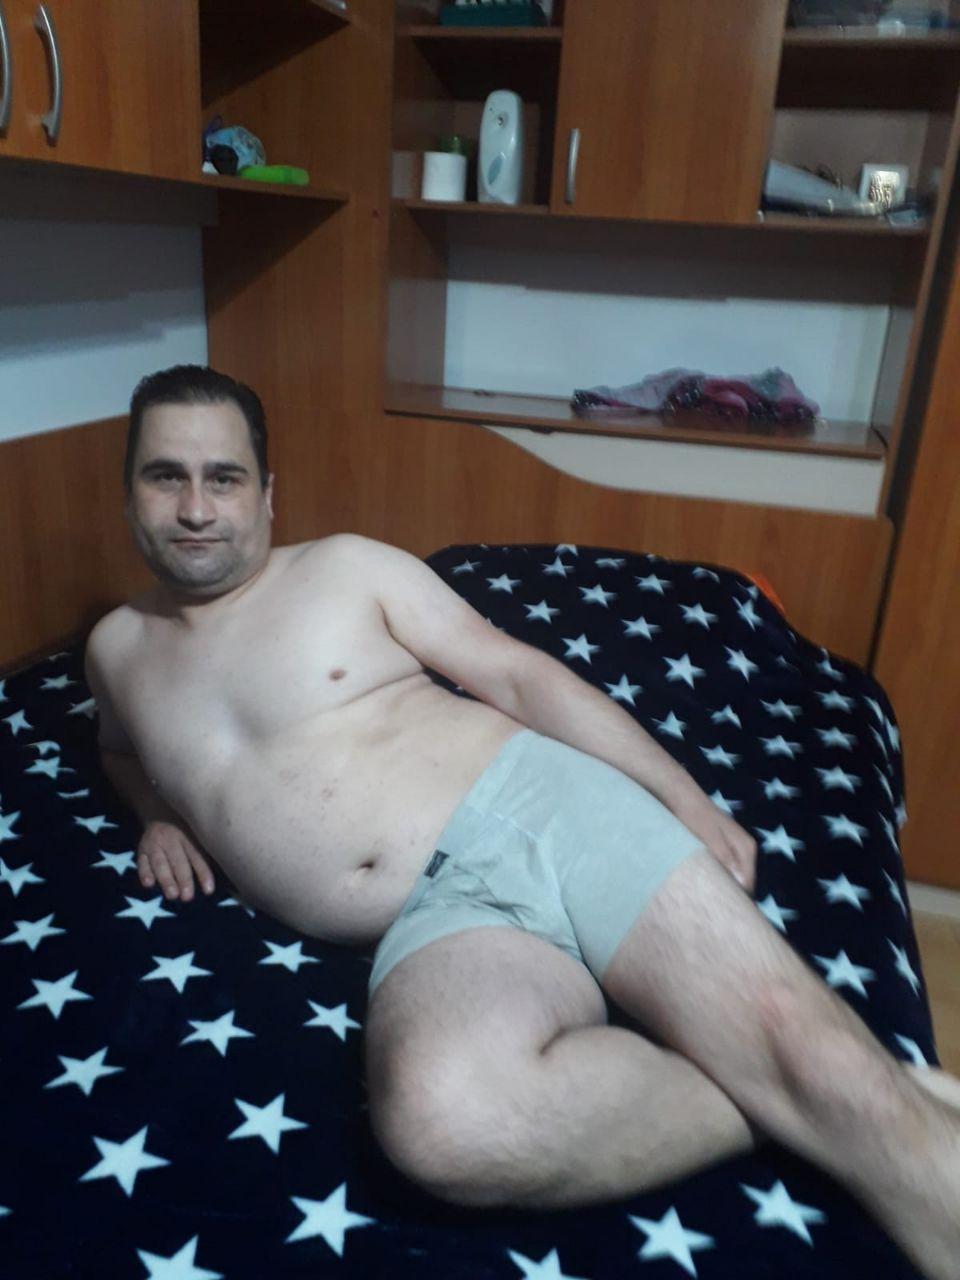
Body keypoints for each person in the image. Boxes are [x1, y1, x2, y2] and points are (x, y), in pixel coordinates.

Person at [85, 364, 960, 1280]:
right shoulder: (114, 651)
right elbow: (119, 752)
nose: (196, 508)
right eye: (166, 476)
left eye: (223, 478)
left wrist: (683, 798)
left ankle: (826, 1088)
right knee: (444, 1122)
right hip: (439, 924)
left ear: (267, 493)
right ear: (129, 491)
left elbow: (517, 674)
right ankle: (797, 1091)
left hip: (539, 807)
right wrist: (158, 818)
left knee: (817, 1063)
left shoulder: (345, 567)